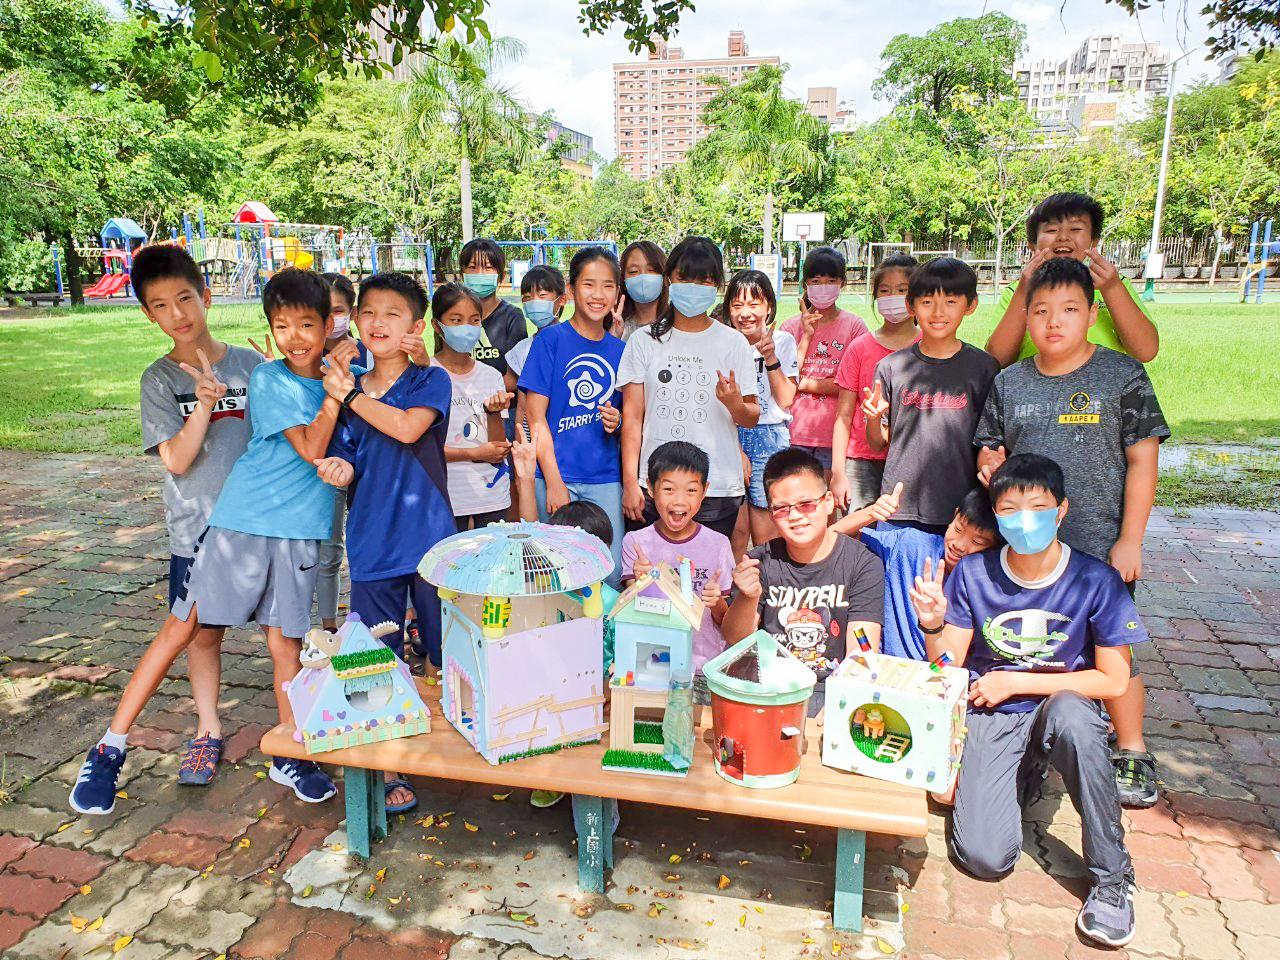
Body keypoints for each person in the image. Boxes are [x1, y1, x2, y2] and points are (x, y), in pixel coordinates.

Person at [70, 268, 353, 814]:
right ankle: (109, 746)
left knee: (284, 645)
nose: (295, 335)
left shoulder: (321, 373)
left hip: (300, 532)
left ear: (330, 325)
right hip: (239, 523)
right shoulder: (266, 379)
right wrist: (333, 399)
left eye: (308, 324)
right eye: (283, 325)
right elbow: (310, 448)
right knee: (184, 630)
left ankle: (291, 750)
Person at [911, 453, 1143, 948]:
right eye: (1010, 509)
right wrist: (933, 624)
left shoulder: (1095, 580)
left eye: (1037, 507)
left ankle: (1112, 880)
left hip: (1058, 705)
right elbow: (948, 663)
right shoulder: (973, 573)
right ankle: (1024, 772)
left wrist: (1017, 682)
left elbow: (1113, 680)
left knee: (1075, 720)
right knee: (983, 859)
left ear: (1062, 510)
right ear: (995, 515)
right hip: (992, 711)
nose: (1024, 520)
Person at [974, 257, 1169, 809]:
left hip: (1098, 544)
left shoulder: (1120, 376)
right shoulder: (1010, 382)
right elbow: (988, 444)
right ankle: (1036, 741)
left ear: (1091, 313)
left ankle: (1130, 747)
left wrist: (1130, 539)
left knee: (1114, 651)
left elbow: (1143, 461)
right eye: (1040, 311)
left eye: (1068, 310)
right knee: (1034, 640)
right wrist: (990, 459)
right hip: (1028, 546)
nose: (1053, 322)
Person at [132, 243, 264, 787]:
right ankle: (208, 730)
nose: (177, 314)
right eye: (160, 306)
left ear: (206, 296)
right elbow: (180, 459)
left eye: (185, 298)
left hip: (257, 527)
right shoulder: (159, 381)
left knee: (282, 634)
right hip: (196, 531)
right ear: (147, 314)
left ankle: (297, 735)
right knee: (201, 634)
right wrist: (205, 404)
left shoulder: (251, 366)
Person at [327, 272, 456, 814]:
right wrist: (337, 467)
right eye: (369, 313)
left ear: (415, 327)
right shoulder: (345, 385)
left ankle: (458, 745)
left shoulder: (431, 379)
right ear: (356, 321)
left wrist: (351, 394)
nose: (379, 323)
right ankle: (388, 764)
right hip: (372, 542)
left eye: (393, 314)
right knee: (375, 658)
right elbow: (348, 456)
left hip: (429, 542)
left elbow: (407, 429)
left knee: (448, 652)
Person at [724, 448, 884, 716]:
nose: (796, 516)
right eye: (782, 509)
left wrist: (844, 699)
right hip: (768, 687)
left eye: (806, 504)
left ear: (829, 502)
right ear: (771, 512)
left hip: (829, 689)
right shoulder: (759, 561)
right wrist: (747, 597)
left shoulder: (863, 563)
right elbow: (735, 639)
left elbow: (863, 649)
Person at [618, 236, 759, 539]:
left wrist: (734, 403)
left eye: (704, 279)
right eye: (685, 277)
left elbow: (751, 415)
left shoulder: (733, 342)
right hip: (655, 488)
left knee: (707, 581)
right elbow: (631, 419)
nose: (694, 287)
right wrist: (631, 481)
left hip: (717, 487)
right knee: (651, 579)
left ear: (718, 285)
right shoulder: (643, 340)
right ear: (670, 279)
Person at [863, 257, 999, 533]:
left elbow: (990, 442)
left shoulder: (984, 367)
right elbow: (878, 444)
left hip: (961, 511)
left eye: (950, 301)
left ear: (971, 305)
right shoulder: (891, 367)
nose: (938, 312)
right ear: (911, 306)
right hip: (898, 506)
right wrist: (873, 419)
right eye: (927, 302)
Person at [520, 248, 626, 580]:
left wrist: (617, 421)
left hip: (604, 478)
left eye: (608, 286)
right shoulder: (549, 341)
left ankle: (600, 632)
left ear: (618, 292)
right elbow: (535, 418)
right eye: (589, 284)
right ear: (571, 289)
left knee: (608, 571)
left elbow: (630, 417)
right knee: (549, 572)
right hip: (553, 475)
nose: (598, 295)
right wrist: (553, 481)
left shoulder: (622, 350)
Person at [985, 192, 1159, 368]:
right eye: (1052, 230)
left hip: (1105, 392)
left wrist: (1112, 288)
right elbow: (997, 359)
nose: (1063, 237)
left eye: (1075, 229)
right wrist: (1024, 290)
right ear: (1032, 243)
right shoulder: (1018, 290)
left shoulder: (1111, 283)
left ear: (1094, 240)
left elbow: (1146, 351)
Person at [834, 485, 1001, 660]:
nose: (959, 545)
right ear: (954, 515)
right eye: (958, 529)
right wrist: (871, 513)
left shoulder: (987, 585)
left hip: (934, 679)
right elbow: (831, 539)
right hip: (884, 673)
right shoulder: (909, 546)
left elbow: (948, 664)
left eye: (977, 541)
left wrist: (933, 626)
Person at [619, 442, 735, 677]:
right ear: (650, 488)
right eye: (669, 489)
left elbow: (726, 622)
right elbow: (631, 614)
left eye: (691, 490)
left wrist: (717, 602)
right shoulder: (635, 543)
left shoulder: (719, 545)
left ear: (704, 491)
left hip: (705, 666)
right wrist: (640, 583)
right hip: (653, 665)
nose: (679, 501)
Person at [831, 254, 920, 510]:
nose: (893, 297)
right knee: (858, 536)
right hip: (861, 463)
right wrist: (839, 473)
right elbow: (843, 416)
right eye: (884, 290)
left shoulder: (929, 346)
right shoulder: (859, 348)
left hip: (909, 461)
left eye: (903, 290)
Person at [722, 269, 797, 557]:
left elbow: (786, 399)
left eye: (754, 304)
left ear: (769, 307)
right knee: (737, 531)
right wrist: (736, 449)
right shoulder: (723, 342)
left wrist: (770, 357)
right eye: (737, 305)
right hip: (731, 434)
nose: (745, 313)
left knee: (767, 527)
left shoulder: (783, 341)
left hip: (769, 437)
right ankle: (737, 594)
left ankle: (768, 593)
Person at [780, 246, 868, 476]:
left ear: (842, 284)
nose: (823, 287)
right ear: (805, 284)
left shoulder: (855, 327)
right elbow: (781, 384)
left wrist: (803, 383)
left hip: (835, 436)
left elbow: (852, 385)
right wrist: (807, 335)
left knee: (825, 505)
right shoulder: (789, 328)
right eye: (816, 281)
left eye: (831, 280)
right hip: (794, 433)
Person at [431, 283, 513, 529]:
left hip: (491, 495)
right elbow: (424, 447)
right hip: (446, 495)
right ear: (437, 326)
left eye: (474, 320)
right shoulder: (427, 374)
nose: (466, 328)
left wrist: (493, 413)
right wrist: (471, 454)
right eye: (456, 320)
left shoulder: (491, 376)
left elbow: (499, 450)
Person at [315, 272, 358, 632]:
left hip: (365, 467)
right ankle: (329, 628)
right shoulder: (304, 359)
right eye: (323, 312)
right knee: (328, 553)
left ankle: (364, 624)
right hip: (322, 468)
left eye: (339, 310)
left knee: (362, 549)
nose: (332, 320)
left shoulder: (373, 355)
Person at [618, 240, 668, 341]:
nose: (643, 276)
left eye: (651, 270)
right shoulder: (617, 327)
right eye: (633, 271)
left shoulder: (678, 325)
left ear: (664, 277)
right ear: (623, 278)